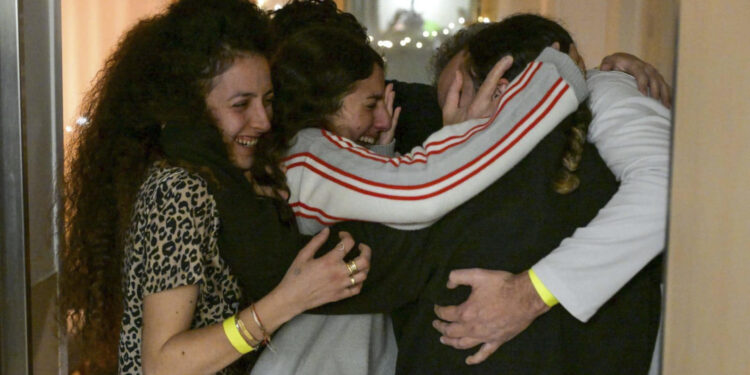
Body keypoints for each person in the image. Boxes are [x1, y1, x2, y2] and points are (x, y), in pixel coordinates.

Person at [59, 1, 372, 374]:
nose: (263, 120)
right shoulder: (178, 189)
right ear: (189, 107)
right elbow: (163, 363)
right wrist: (288, 300)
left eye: (268, 101)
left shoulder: (219, 177)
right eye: (241, 105)